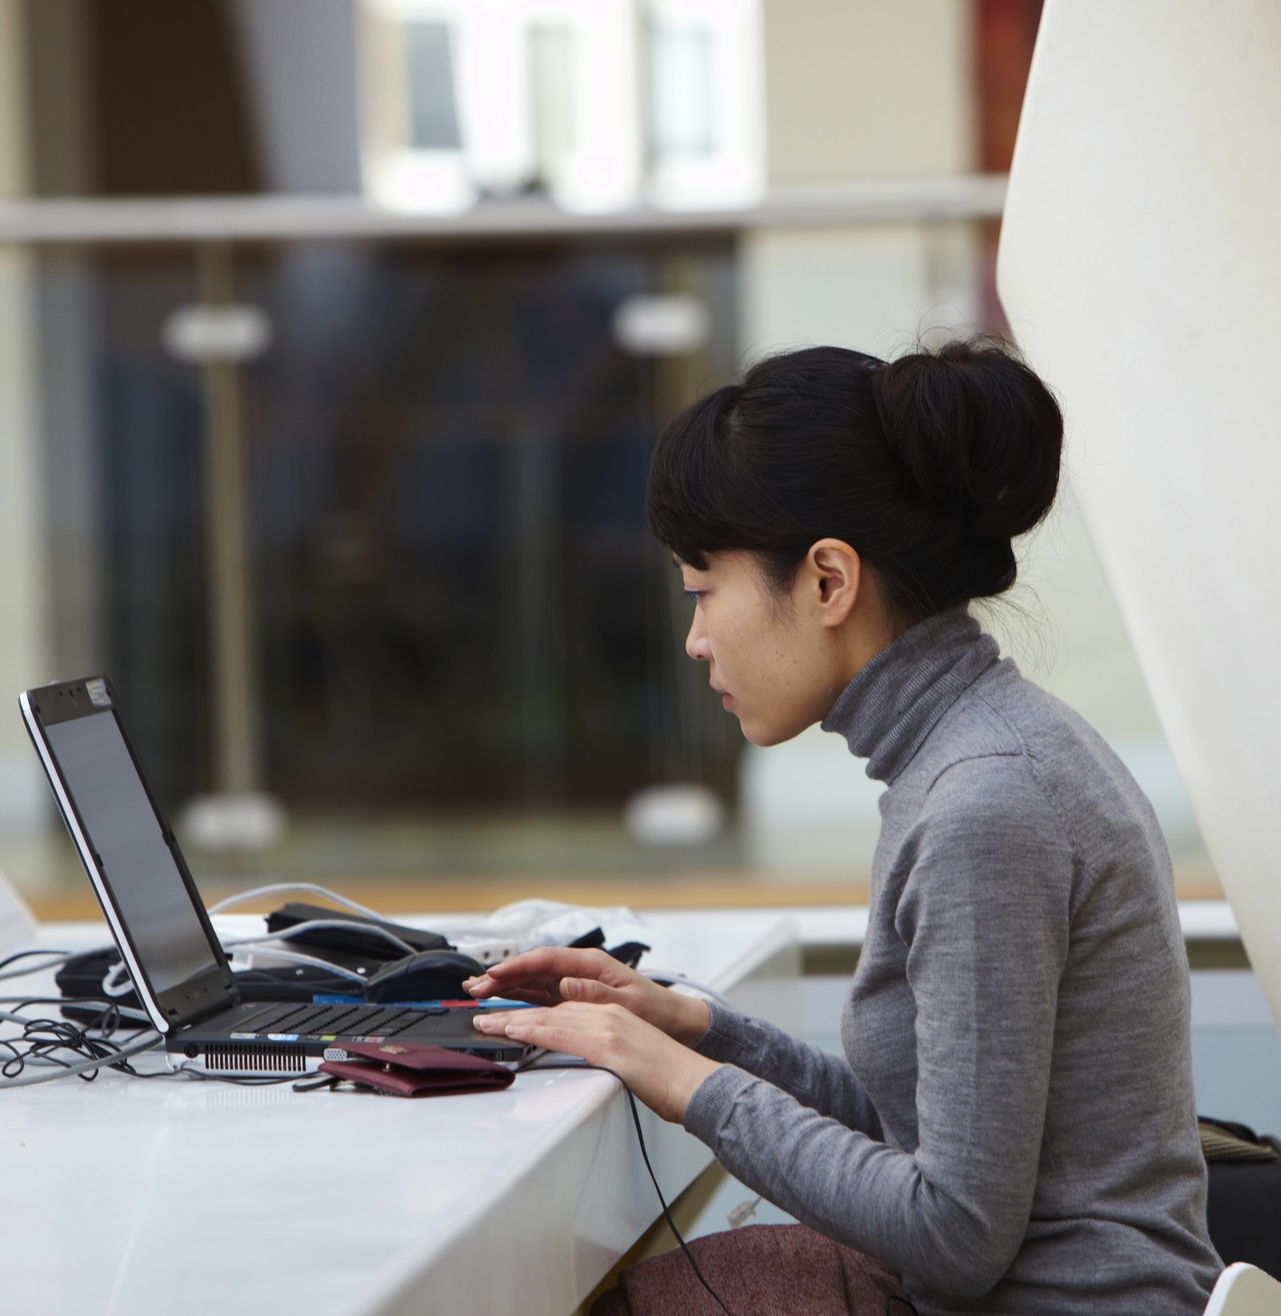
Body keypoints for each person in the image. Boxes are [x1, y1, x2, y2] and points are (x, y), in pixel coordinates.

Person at [468, 341, 1222, 1314]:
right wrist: (697, 1028)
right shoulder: (981, 755)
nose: (694, 638)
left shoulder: (981, 801)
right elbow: (929, 1131)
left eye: (702, 591)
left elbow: (949, 1231)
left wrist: (678, 1079)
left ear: (827, 580)